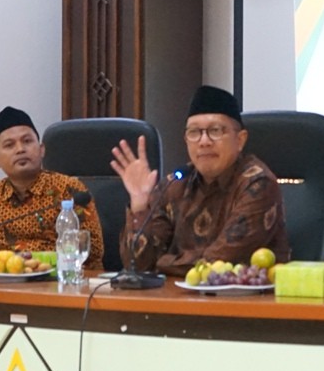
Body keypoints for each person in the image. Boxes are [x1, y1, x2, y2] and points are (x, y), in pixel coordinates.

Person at [112, 85, 290, 277]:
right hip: (177, 294)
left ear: (240, 140)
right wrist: (139, 206)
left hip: (251, 295)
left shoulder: (258, 184)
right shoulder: (175, 183)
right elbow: (136, 265)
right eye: (194, 132)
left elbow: (218, 263)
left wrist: (161, 262)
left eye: (215, 130)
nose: (204, 141)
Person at [0, 106, 105, 269]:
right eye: (9, 145)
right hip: (11, 280)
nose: (20, 149)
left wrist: (33, 260)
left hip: (67, 277)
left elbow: (93, 249)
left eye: (27, 141)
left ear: (42, 150)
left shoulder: (69, 189)